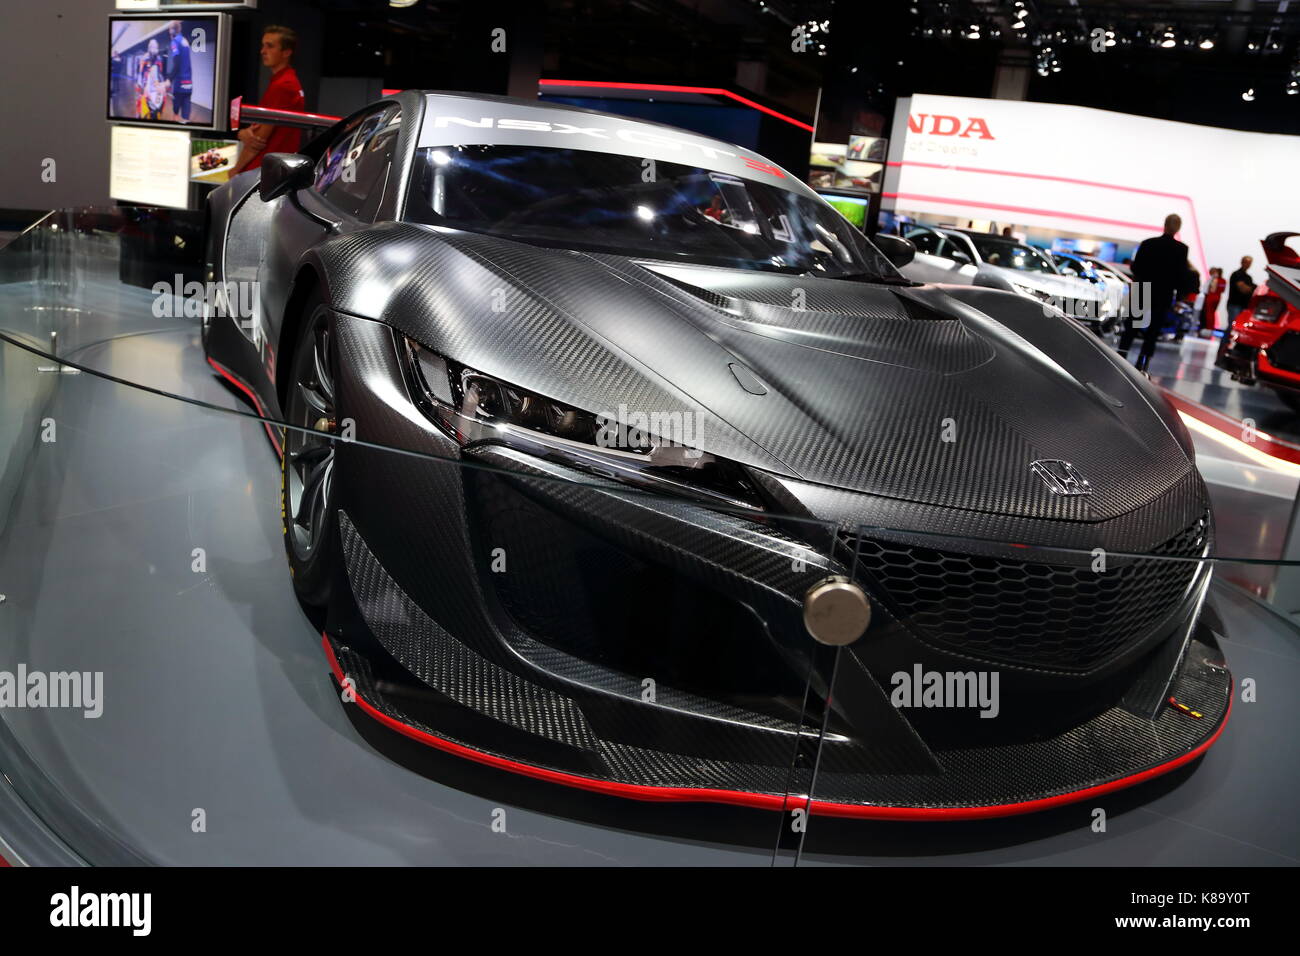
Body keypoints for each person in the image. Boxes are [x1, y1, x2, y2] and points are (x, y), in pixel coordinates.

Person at [1118, 213, 1188, 372]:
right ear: (1178, 228)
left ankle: (1121, 357)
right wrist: (1178, 296)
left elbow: (1135, 268)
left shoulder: (1148, 244)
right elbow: (1180, 275)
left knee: (1131, 326)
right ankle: (1143, 362)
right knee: (1153, 330)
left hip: (1142, 288)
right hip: (1164, 293)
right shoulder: (1181, 249)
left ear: (1164, 224)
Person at [231, 25, 305, 174]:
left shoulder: (283, 85)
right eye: (263, 45)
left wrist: (234, 170)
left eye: (270, 46)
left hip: (264, 172)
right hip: (272, 169)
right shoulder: (286, 81)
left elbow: (257, 141)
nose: (263, 51)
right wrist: (243, 133)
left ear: (286, 52)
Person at [165, 20, 193, 124]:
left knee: (175, 110)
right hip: (189, 83)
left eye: (169, 29)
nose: (168, 32)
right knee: (186, 116)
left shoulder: (175, 42)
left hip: (180, 83)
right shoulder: (185, 40)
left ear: (172, 30)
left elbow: (177, 63)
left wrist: (169, 79)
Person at [1226, 255, 1256, 328]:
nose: (1248, 264)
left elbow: (1248, 289)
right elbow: (1243, 289)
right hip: (1234, 304)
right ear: (1242, 262)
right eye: (1246, 262)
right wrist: (1248, 288)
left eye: (1249, 263)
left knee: (1237, 327)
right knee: (1232, 326)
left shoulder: (1248, 277)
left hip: (1244, 305)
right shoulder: (1236, 274)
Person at [1200, 267, 1225, 336]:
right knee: (1211, 313)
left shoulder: (1215, 279)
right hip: (1217, 297)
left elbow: (1212, 290)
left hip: (1211, 297)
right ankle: (1209, 328)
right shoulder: (1223, 280)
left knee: (1209, 313)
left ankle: (1208, 329)